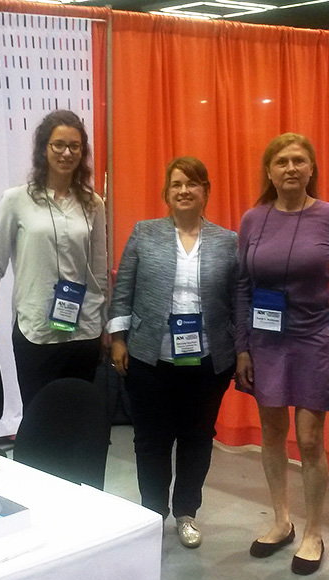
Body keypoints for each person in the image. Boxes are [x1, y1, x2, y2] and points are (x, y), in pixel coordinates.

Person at [235, 133, 329, 574]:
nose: (289, 168)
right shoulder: (253, 218)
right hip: (265, 342)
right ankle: (282, 521)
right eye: (281, 161)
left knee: (308, 438)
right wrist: (242, 346)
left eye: (298, 161)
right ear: (269, 171)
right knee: (270, 431)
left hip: (312, 339)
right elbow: (244, 286)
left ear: (310, 170)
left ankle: (313, 531)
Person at [108, 157, 237, 549]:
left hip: (208, 360)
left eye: (193, 184)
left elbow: (237, 300)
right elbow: (123, 290)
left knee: (198, 438)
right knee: (150, 440)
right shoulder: (144, 233)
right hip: (150, 357)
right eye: (177, 184)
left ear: (206, 192)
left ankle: (186, 512)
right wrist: (117, 338)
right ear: (166, 193)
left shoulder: (227, 241)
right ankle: (152, 514)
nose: (184, 190)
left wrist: (241, 348)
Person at [0, 110, 108, 409]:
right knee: (39, 421)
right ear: (44, 148)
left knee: (77, 421)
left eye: (75, 146)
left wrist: (105, 325)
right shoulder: (16, 200)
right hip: (37, 332)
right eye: (58, 144)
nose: (66, 153)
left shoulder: (93, 203)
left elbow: (98, 271)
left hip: (83, 333)